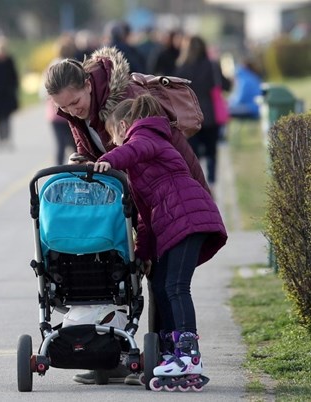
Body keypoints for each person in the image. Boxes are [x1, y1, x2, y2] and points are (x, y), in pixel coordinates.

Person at [43, 46, 209, 385]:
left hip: (168, 194)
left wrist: (111, 161)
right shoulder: (78, 114)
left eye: (75, 102)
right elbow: (93, 152)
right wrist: (83, 161)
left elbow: (140, 143)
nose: (71, 111)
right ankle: (116, 355)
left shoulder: (126, 97)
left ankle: (164, 356)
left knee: (164, 280)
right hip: (138, 194)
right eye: (63, 108)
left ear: (88, 84)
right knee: (122, 267)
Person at [91, 95, 227, 387]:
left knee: (176, 287)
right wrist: (143, 254)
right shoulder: (138, 164)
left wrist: (106, 161)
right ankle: (172, 352)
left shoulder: (147, 135)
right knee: (164, 286)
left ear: (125, 126)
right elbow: (144, 218)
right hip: (177, 220)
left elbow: (134, 149)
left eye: (115, 137)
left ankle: (188, 353)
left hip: (188, 217)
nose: (115, 144)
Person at [174, 35, 222, 187]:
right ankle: (213, 181)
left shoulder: (181, 68)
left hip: (189, 117)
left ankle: (196, 183)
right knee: (211, 152)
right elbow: (223, 85)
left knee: (192, 154)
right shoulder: (212, 65)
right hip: (209, 114)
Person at [40, 34, 77, 165]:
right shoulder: (73, 66)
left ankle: (58, 172)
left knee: (60, 145)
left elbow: (43, 92)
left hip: (54, 113)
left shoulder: (50, 67)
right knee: (75, 146)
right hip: (72, 112)